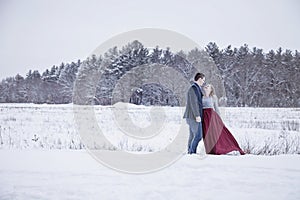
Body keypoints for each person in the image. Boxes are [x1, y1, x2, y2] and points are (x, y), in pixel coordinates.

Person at [202, 84, 245, 155]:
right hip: (204, 116)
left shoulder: (213, 97)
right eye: (205, 86)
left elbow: (216, 108)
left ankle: (221, 147)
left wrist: (219, 119)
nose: (206, 87)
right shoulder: (201, 97)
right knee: (207, 133)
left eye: (208, 86)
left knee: (215, 133)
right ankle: (210, 149)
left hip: (212, 116)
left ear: (211, 89)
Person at [183, 72, 205, 154]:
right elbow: (194, 103)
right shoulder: (193, 88)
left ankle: (190, 151)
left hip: (193, 116)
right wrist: (197, 115)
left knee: (192, 135)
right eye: (203, 80)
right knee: (198, 135)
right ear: (199, 79)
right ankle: (192, 152)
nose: (203, 82)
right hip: (193, 116)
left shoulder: (197, 88)